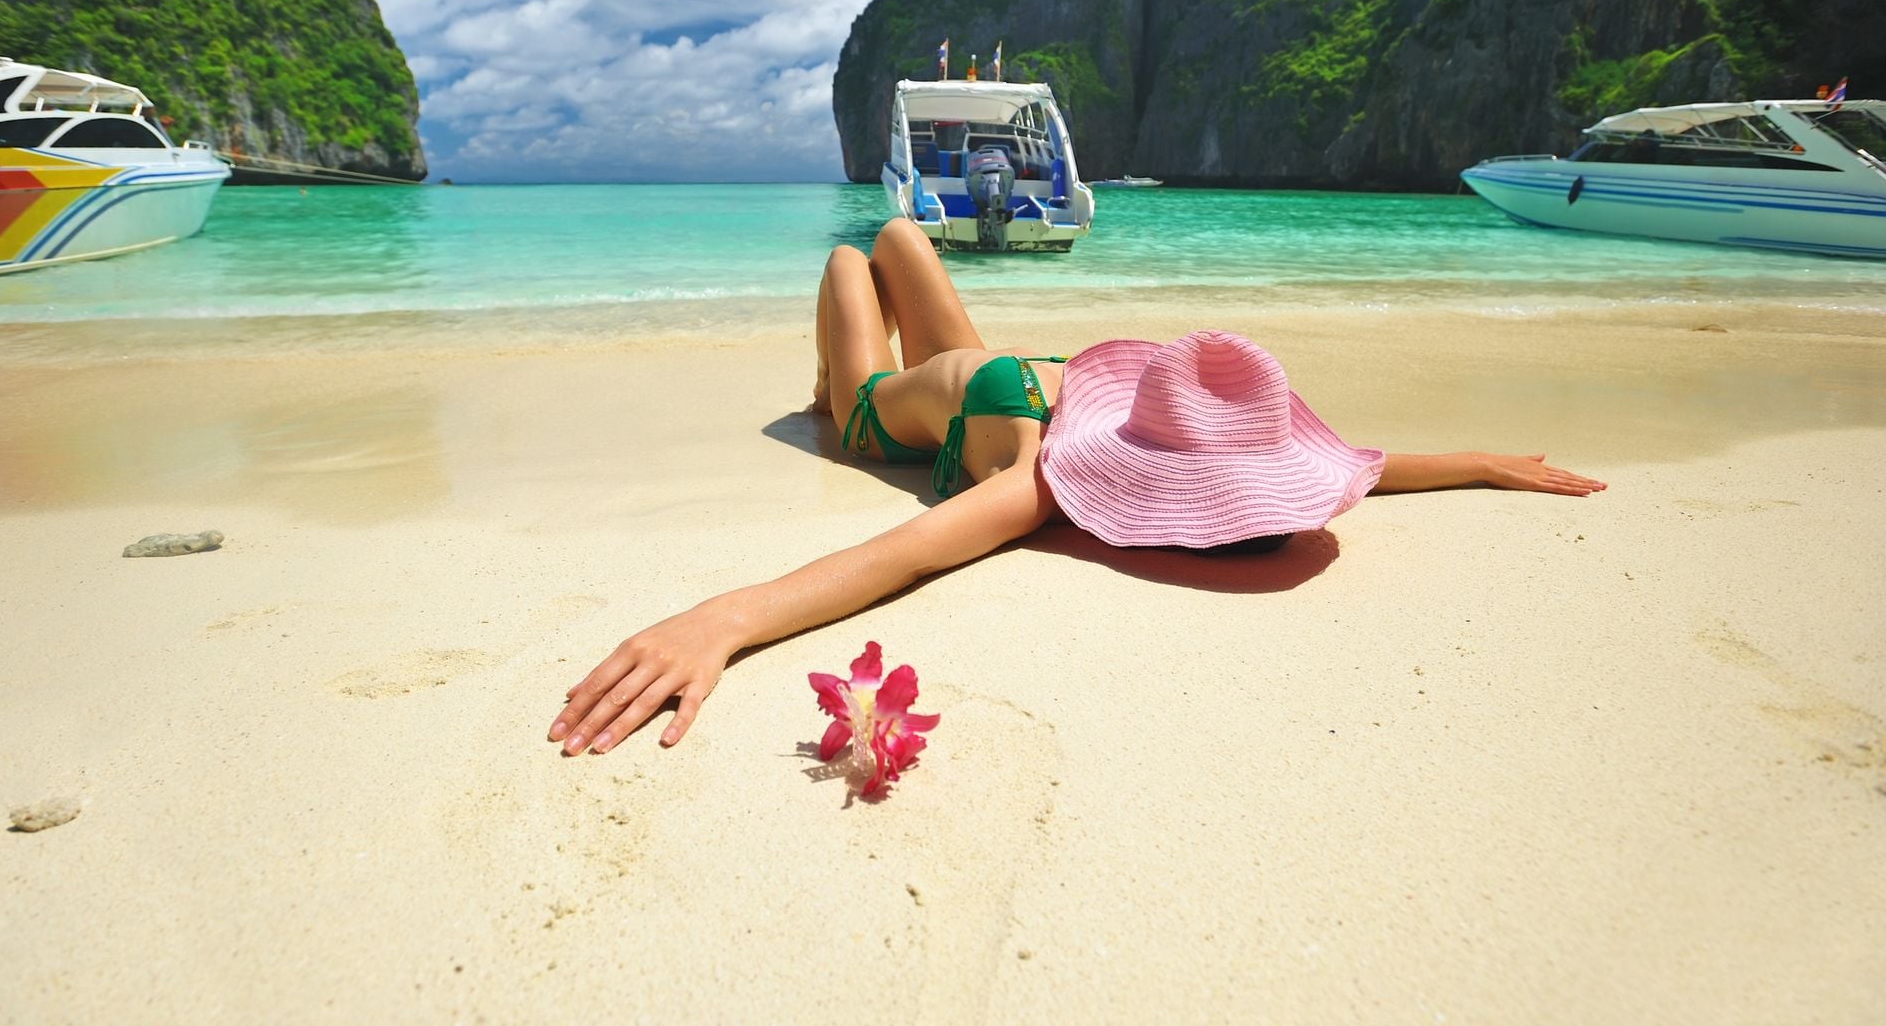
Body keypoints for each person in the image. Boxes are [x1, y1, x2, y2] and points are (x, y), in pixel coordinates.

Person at [548, 220, 1606, 756]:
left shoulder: (1045, 484)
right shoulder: (1163, 415)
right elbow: (1340, 454)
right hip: (983, 373)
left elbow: (895, 557)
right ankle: (835, 378)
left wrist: (719, 620)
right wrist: (1474, 460)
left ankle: (834, 400)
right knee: (900, 237)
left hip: (895, 410)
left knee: (846, 258)